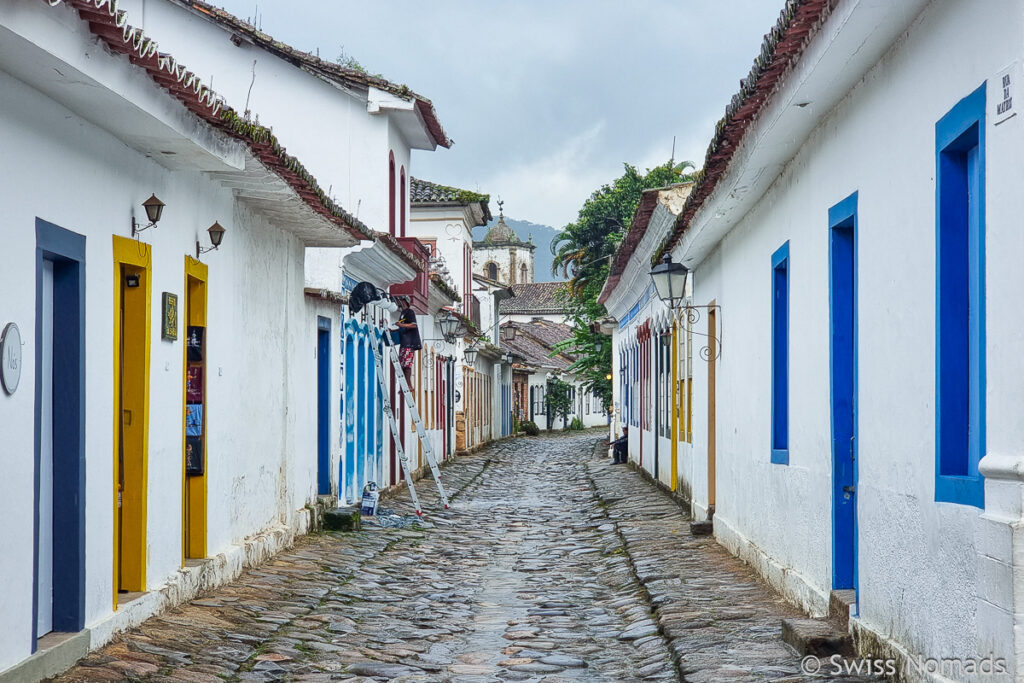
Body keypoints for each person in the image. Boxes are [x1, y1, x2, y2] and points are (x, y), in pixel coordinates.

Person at [393, 295, 421, 385]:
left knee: (407, 364)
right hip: (404, 342)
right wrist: (394, 330)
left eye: (399, 300)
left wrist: (401, 325)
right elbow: (403, 327)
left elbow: (414, 325)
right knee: (402, 364)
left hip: (409, 343)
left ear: (404, 301)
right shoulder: (403, 313)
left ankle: (408, 384)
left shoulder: (410, 312)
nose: (398, 303)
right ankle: (404, 384)